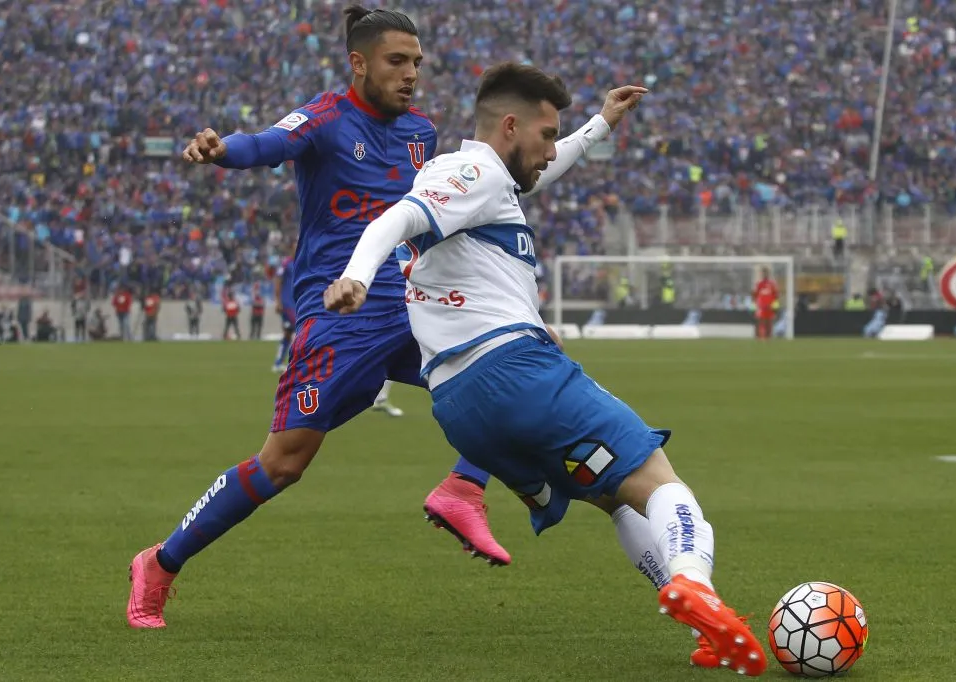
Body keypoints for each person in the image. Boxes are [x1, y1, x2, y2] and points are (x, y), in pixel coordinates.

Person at [323, 62, 766, 676]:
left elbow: (533, 173)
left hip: (462, 408)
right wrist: (356, 275)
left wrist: (599, 126)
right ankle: (695, 583)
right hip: (515, 373)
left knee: (615, 499)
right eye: (546, 134)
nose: (551, 150)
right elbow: (394, 218)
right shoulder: (471, 172)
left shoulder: (486, 185)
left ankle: (704, 625)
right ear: (510, 126)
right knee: (660, 481)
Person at [129, 5, 515, 630]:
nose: (411, 73)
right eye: (397, 61)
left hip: (410, 306)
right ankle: (158, 563)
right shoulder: (326, 118)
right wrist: (222, 150)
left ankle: (463, 489)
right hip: (339, 314)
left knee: (506, 377)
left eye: (417, 62)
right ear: (358, 63)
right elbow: (267, 143)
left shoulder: (422, 132)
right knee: (283, 464)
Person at [272, 241, 296, 373]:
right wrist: (278, 301)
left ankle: (278, 362)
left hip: (296, 304)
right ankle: (294, 363)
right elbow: (277, 280)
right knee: (298, 331)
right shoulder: (286, 263)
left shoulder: (301, 262)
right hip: (287, 304)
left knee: (288, 333)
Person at [752, 267, 779, 340]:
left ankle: (768, 337)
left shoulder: (772, 284)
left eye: (766, 273)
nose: (764, 274)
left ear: (768, 274)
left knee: (769, 322)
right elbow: (755, 296)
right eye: (763, 273)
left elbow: (775, 296)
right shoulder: (759, 284)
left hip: (769, 307)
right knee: (759, 321)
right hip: (761, 307)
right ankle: (758, 337)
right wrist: (754, 307)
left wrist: (775, 308)